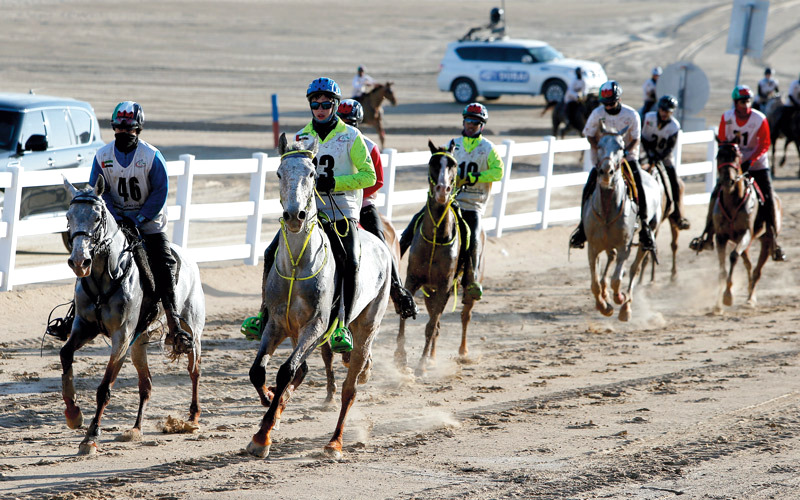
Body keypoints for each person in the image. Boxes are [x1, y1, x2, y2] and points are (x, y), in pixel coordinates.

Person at [242, 78, 376, 352]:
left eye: (326, 104)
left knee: (350, 260)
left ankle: (341, 325)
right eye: (315, 104)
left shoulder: (352, 136)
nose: (320, 109)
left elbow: (369, 176)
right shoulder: (302, 137)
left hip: (342, 211)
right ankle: (263, 316)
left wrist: (334, 183)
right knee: (270, 252)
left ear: (335, 105)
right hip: (308, 212)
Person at [90, 101, 193, 353]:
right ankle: (76, 314)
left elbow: (160, 192)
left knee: (165, 264)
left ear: (138, 129)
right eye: (119, 128)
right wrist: (115, 217)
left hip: (148, 225)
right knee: (87, 256)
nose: (124, 132)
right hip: (114, 224)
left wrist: (138, 219)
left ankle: (173, 322)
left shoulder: (152, 157)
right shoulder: (102, 156)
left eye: (130, 129)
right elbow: (98, 190)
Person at [399, 102, 504, 301]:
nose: (471, 124)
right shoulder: (453, 144)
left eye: (475, 122)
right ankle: (395, 260)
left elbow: (498, 172)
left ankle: (472, 279)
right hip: (449, 199)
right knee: (416, 221)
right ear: (463, 122)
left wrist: (474, 177)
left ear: (481, 126)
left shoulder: (488, 148)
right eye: (468, 120)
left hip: (473, 203)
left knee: (474, 235)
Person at [336, 98, 418, 319]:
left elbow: (377, 181)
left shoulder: (369, 146)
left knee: (382, 243)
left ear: (358, 123)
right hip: (331, 203)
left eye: (350, 122)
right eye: (342, 120)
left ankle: (398, 291)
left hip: (363, 204)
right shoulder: (329, 143)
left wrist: (351, 192)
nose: (346, 125)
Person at [690, 85, 786, 261]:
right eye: (742, 101)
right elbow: (722, 141)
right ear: (736, 103)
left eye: (748, 101)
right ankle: (707, 235)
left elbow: (765, 143)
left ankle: (774, 241)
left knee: (769, 197)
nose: (746, 104)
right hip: (733, 165)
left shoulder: (759, 118)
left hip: (757, 165)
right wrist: (732, 161)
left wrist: (751, 160)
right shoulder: (727, 118)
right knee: (716, 193)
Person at [570, 80, 658, 260]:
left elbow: (636, 138)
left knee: (638, 185)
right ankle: (582, 227)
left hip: (627, 158)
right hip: (603, 160)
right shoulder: (597, 113)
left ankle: (645, 227)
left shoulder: (631, 115)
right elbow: (589, 134)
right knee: (588, 187)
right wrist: (601, 149)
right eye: (606, 104)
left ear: (619, 99)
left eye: (611, 103)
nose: (608, 107)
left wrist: (623, 153)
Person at [640, 94, 690, 230]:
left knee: (675, 182)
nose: (664, 113)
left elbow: (670, 148)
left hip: (663, 158)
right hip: (644, 154)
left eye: (668, 111)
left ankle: (678, 214)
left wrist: (657, 157)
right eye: (663, 110)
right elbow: (641, 137)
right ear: (659, 108)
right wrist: (649, 153)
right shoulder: (648, 118)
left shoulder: (674, 126)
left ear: (672, 112)